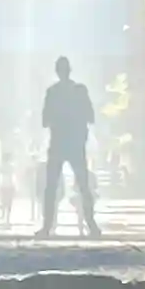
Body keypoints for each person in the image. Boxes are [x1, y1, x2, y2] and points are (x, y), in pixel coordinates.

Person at [38, 56, 100, 238]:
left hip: (58, 142)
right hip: (75, 144)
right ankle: (91, 225)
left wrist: (58, 118)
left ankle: (46, 226)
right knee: (83, 186)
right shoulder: (80, 91)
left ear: (57, 72)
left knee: (51, 187)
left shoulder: (52, 92)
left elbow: (44, 121)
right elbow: (91, 117)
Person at [0, 154, 17, 227]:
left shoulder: (2, 167)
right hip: (10, 185)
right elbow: (13, 177)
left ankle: (3, 215)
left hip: (3, 185)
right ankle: (7, 218)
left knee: (3, 201)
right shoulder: (11, 166)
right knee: (9, 202)